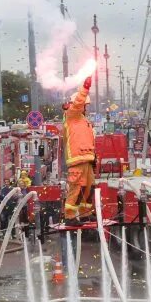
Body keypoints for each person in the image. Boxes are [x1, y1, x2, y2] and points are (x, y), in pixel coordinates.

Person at [62, 75, 96, 225]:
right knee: (76, 188)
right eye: (85, 105)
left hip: (86, 159)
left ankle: (85, 214)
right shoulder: (72, 115)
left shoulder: (84, 121)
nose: (86, 107)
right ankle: (69, 217)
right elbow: (78, 103)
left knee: (88, 189)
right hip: (77, 159)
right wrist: (85, 89)